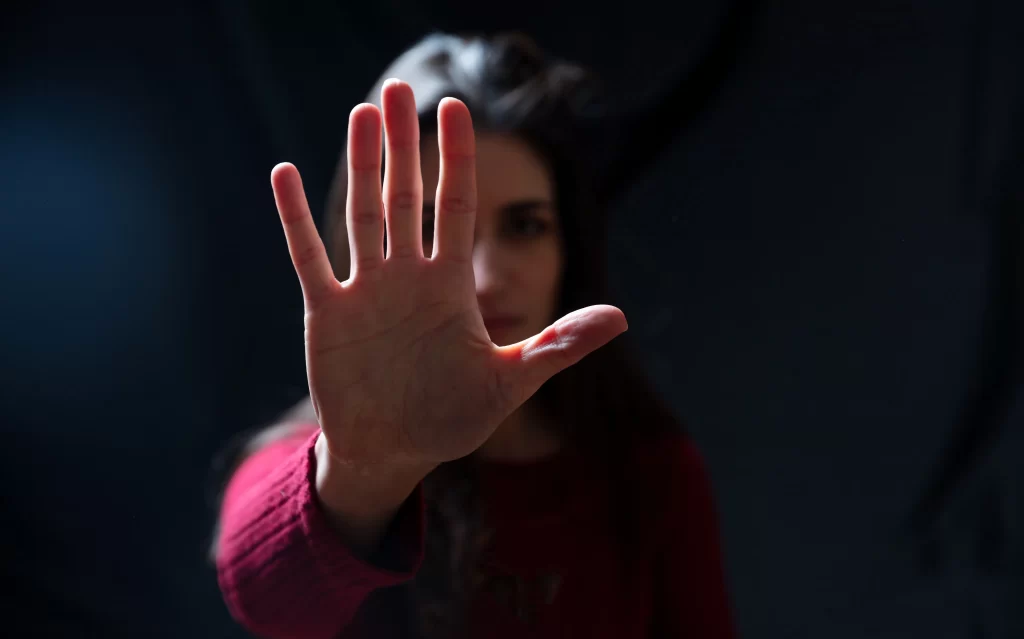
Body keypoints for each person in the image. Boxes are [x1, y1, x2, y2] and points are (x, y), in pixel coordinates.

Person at [213, 32, 736, 639]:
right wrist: (363, 472)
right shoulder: (318, 458)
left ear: (570, 248)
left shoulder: (649, 471)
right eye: (434, 227)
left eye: (524, 226)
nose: (485, 278)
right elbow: (267, 601)